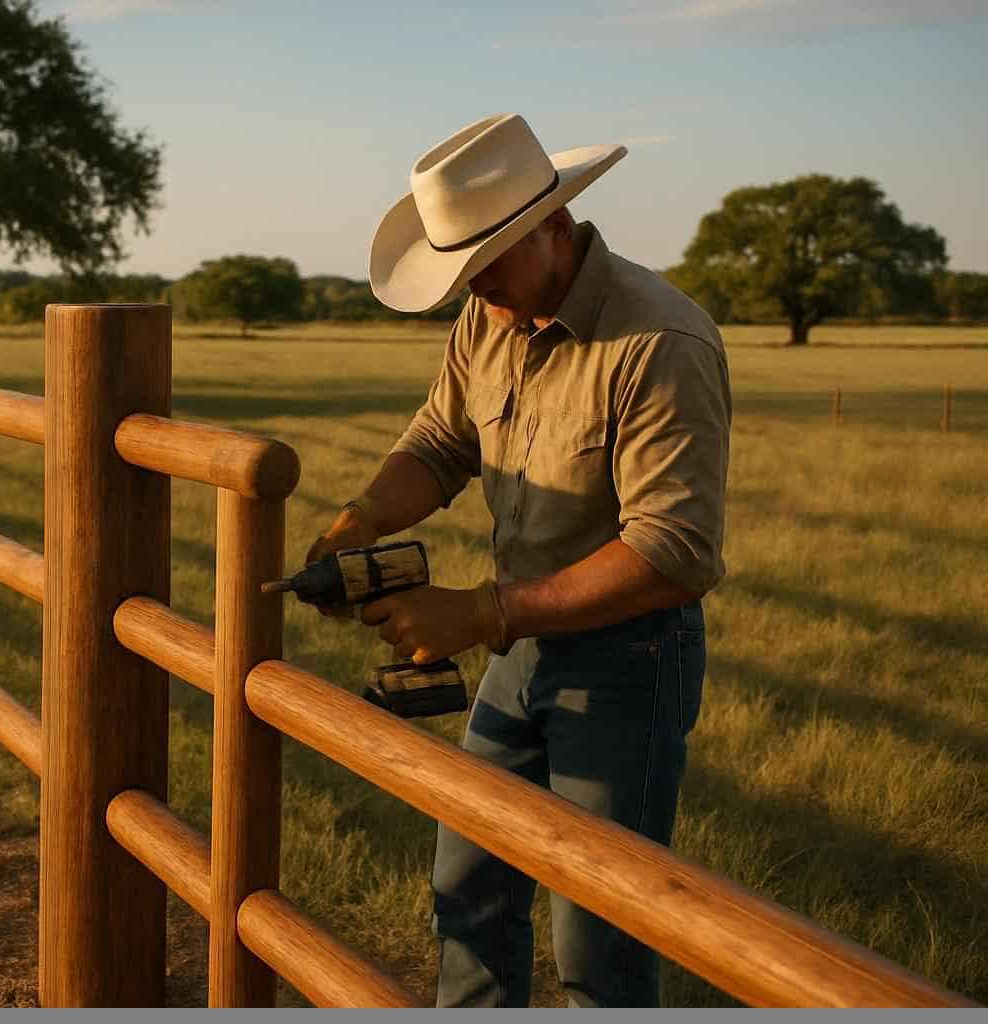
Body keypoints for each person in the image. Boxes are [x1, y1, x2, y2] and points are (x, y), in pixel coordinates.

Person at [309, 113, 731, 1006]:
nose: (478, 295)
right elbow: (439, 441)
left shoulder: (660, 342)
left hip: (629, 657)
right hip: (515, 647)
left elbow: (674, 550)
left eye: (488, 266)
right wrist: (364, 518)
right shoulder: (488, 317)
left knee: (600, 943)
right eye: (462, 274)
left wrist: (482, 613)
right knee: (469, 895)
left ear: (556, 228)